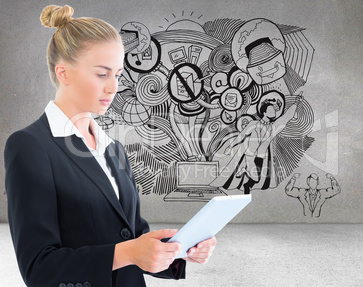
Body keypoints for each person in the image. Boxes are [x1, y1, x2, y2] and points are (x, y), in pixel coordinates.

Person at [3, 5, 216, 287]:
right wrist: (127, 252)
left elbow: (133, 236)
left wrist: (179, 251)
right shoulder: (29, 147)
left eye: (117, 74)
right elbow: (39, 268)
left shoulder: (113, 148)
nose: (113, 87)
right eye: (102, 74)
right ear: (64, 73)